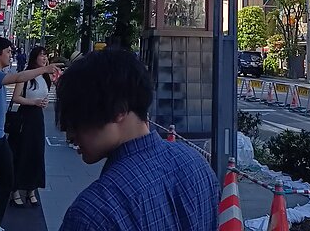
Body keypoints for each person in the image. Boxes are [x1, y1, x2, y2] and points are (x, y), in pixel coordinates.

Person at [56, 49, 219, 231]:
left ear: (119, 110)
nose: (70, 134)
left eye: (75, 120)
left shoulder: (93, 212)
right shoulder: (197, 164)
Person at [0, 37, 60, 231]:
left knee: (6, 179)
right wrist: (44, 69)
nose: (11, 55)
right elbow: (18, 78)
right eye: (8, 52)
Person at [7, 45, 53, 208]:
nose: (45, 58)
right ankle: (15, 191)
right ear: (34, 57)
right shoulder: (26, 76)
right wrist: (33, 102)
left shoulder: (46, 77)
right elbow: (16, 97)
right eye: (42, 55)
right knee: (21, 153)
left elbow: (44, 96)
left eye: (46, 55)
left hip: (37, 118)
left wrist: (44, 102)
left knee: (36, 153)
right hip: (24, 117)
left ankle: (31, 190)